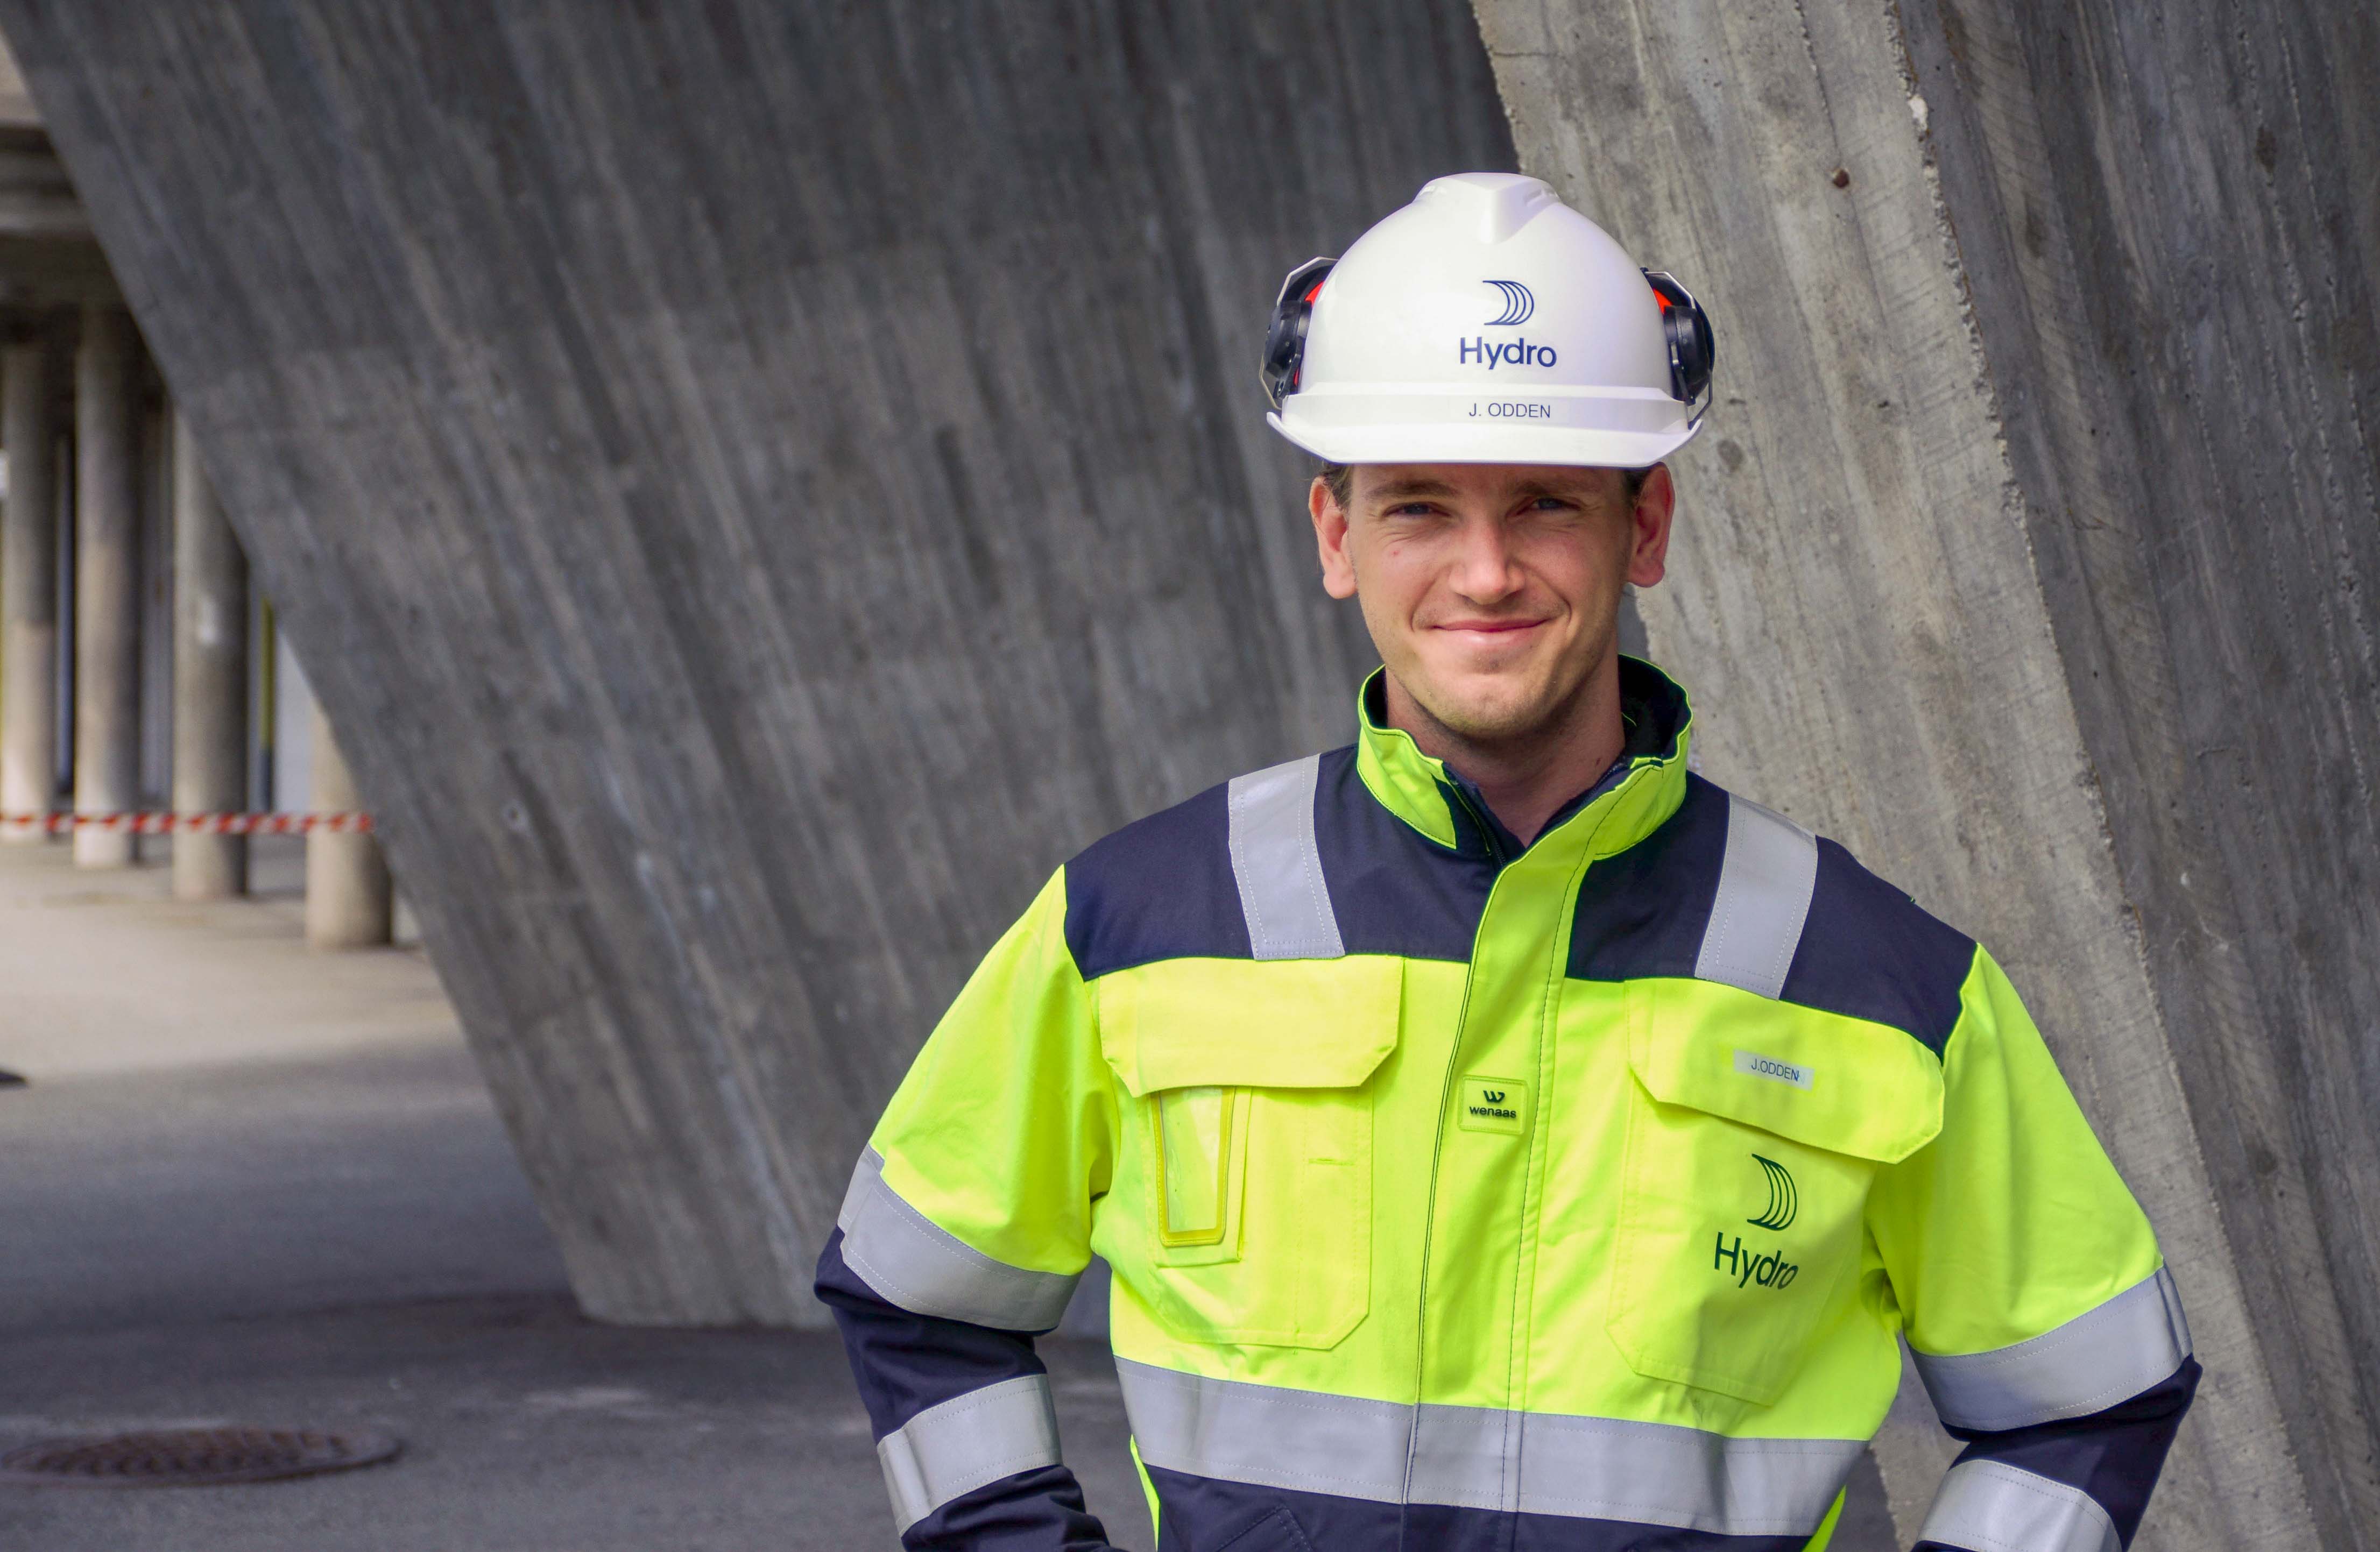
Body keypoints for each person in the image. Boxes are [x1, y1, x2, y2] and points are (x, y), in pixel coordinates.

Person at [816, 172, 2195, 1552]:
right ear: (1336, 536)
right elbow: (915, 1296)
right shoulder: (1138, 923)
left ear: (1642, 529)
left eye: (1544, 504)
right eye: (1419, 506)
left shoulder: (1877, 981)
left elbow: (2087, 1395)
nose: (1485, 575)